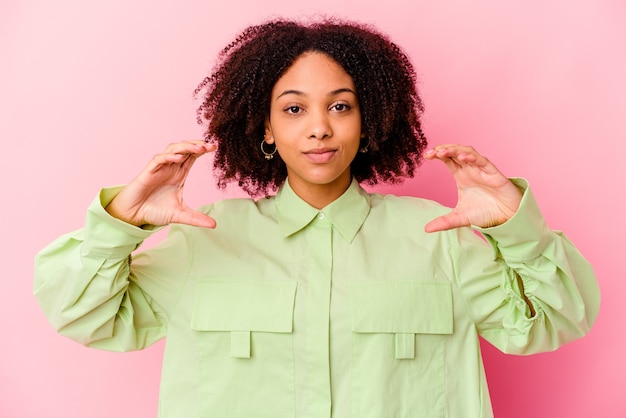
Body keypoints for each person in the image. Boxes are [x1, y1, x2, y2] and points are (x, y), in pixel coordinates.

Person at [34, 18, 600, 418]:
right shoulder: (201, 241)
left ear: (369, 119)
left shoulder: (438, 238)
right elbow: (82, 315)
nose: (319, 128)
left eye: (340, 105)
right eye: (294, 108)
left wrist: (515, 229)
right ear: (265, 127)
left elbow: (555, 321)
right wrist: (120, 225)